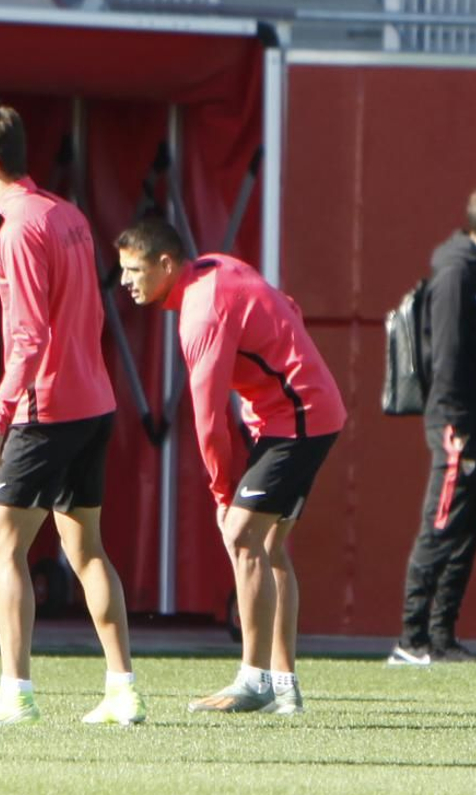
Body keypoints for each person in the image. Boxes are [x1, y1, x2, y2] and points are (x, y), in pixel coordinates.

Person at [115, 218, 346, 715]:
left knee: (241, 535)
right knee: (269, 545)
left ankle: (253, 681)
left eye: (134, 270)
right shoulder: (216, 266)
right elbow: (287, 307)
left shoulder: (200, 313)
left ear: (165, 264)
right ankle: (284, 687)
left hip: (298, 420)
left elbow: (207, 419)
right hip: (304, 413)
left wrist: (222, 496)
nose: (125, 282)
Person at [0, 105, 145, 726]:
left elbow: (28, 337)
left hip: (45, 410)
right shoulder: (67, 214)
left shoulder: (18, 229)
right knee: (85, 548)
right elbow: (91, 316)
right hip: (92, 404)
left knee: (2, 544)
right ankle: (123, 690)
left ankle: (16, 692)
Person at [387, 186, 476, 667]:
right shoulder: (456, 270)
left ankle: (441, 637)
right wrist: (457, 420)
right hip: (458, 424)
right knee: (441, 524)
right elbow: (446, 351)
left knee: (466, 531)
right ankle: (412, 639)